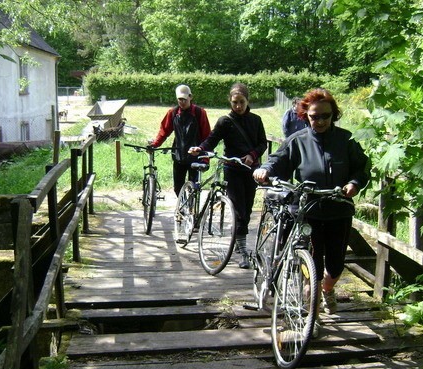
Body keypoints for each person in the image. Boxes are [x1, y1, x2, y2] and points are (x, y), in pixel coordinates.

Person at [253, 88, 370, 314]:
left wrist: (354, 183)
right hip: (308, 210)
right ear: (306, 115)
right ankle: (311, 315)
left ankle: (327, 290)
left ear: (333, 115)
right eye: (314, 116)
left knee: (335, 266)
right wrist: (264, 169)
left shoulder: (346, 140)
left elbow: (361, 167)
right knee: (311, 266)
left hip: (339, 209)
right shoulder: (298, 141)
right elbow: (278, 160)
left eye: (325, 116)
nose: (320, 121)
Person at [190, 82, 267, 269]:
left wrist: (252, 156)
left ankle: (239, 242)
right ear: (230, 101)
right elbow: (212, 139)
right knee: (239, 210)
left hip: (251, 171)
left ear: (248, 100)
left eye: (241, 102)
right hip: (232, 170)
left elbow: (262, 143)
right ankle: (243, 252)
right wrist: (200, 148)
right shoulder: (225, 121)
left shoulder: (256, 120)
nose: (238, 106)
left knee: (247, 211)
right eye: (234, 102)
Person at [149, 84, 211, 196]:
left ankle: (192, 210)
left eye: (184, 99)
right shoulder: (172, 113)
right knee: (178, 188)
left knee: (194, 188)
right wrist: (155, 144)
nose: (182, 102)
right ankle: (181, 209)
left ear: (190, 97)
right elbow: (164, 131)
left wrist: (205, 157)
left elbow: (206, 136)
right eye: (179, 100)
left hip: (196, 156)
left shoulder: (200, 113)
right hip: (178, 156)